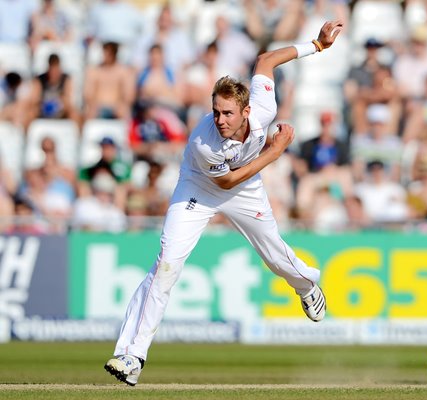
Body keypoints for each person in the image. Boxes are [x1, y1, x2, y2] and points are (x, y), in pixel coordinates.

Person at [104, 19, 344, 386]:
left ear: (246, 111)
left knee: (275, 256)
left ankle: (307, 286)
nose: (219, 119)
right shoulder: (205, 142)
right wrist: (275, 152)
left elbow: (265, 60)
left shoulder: (262, 107)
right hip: (200, 187)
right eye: (216, 111)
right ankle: (131, 355)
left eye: (227, 113)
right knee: (167, 263)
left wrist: (317, 44)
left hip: (246, 189)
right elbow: (226, 178)